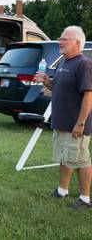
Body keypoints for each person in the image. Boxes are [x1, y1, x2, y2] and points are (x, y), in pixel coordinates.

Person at [38, 26, 92, 209]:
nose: (60, 42)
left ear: (77, 43)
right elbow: (57, 88)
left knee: (81, 160)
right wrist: (46, 80)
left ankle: (85, 199)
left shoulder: (83, 64)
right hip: (61, 123)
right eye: (60, 39)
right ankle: (62, 190)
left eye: (64, 39)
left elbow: (88, 95)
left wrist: (80, 123)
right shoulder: (64, 62)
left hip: (76, 125)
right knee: (65, 158)